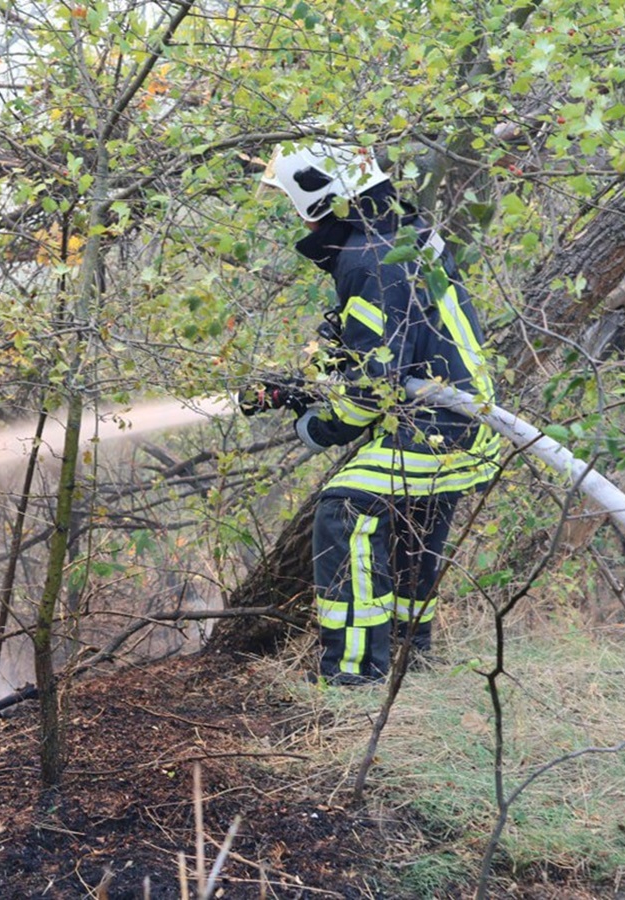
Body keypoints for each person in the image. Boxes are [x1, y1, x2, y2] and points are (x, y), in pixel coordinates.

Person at [248, 138, 500, 685]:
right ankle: (413, 655)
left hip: (440, 427)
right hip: (459, 423)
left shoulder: (367, 260)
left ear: (320, 199)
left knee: (345, 509)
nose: (296, 215)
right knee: (413, 519)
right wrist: (322, 374)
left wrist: (317, 424)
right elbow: (395, 351)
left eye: (294, 200)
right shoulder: (399, 234)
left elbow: (370, 392)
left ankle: (355, 678)